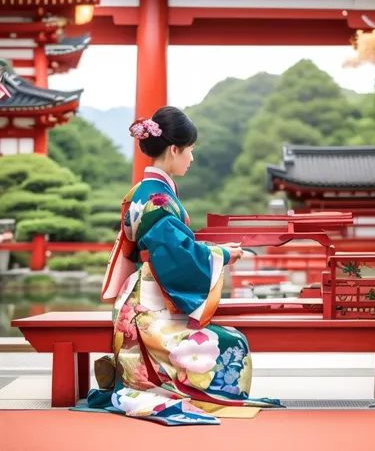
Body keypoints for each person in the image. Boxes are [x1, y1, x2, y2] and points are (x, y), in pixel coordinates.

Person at [84, 106, 280, 426]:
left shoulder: (145, 192)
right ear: (174, 150)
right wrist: (222, 256)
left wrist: (215, 250)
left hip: (145, 294)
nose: (191, 158)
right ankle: (143, 384)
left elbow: (175, 249)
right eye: (190, 151)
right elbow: (178, 255)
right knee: (231, 343)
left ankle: (129, 373)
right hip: (150, 306)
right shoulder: (157, 198)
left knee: (224, 339)